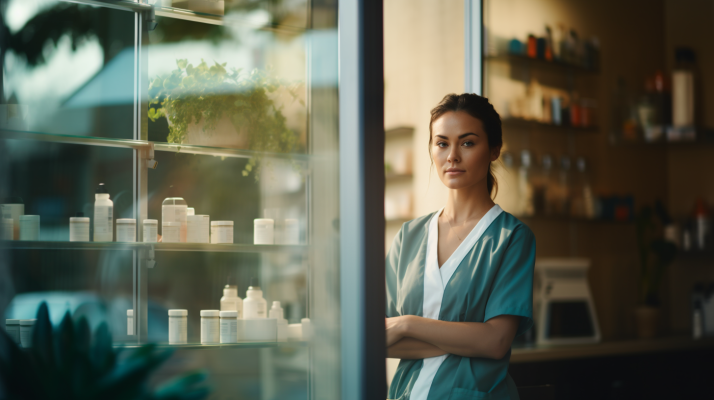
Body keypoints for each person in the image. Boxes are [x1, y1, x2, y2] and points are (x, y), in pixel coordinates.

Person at [385, 93, 536, 400]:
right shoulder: (408, 236)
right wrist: (470, 339)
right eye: (442, 143)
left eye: (467, 143)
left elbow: (495, 343)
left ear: (494, 150)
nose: (452, 156)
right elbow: (379, 339)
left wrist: (407, 324)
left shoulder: (512, 238)